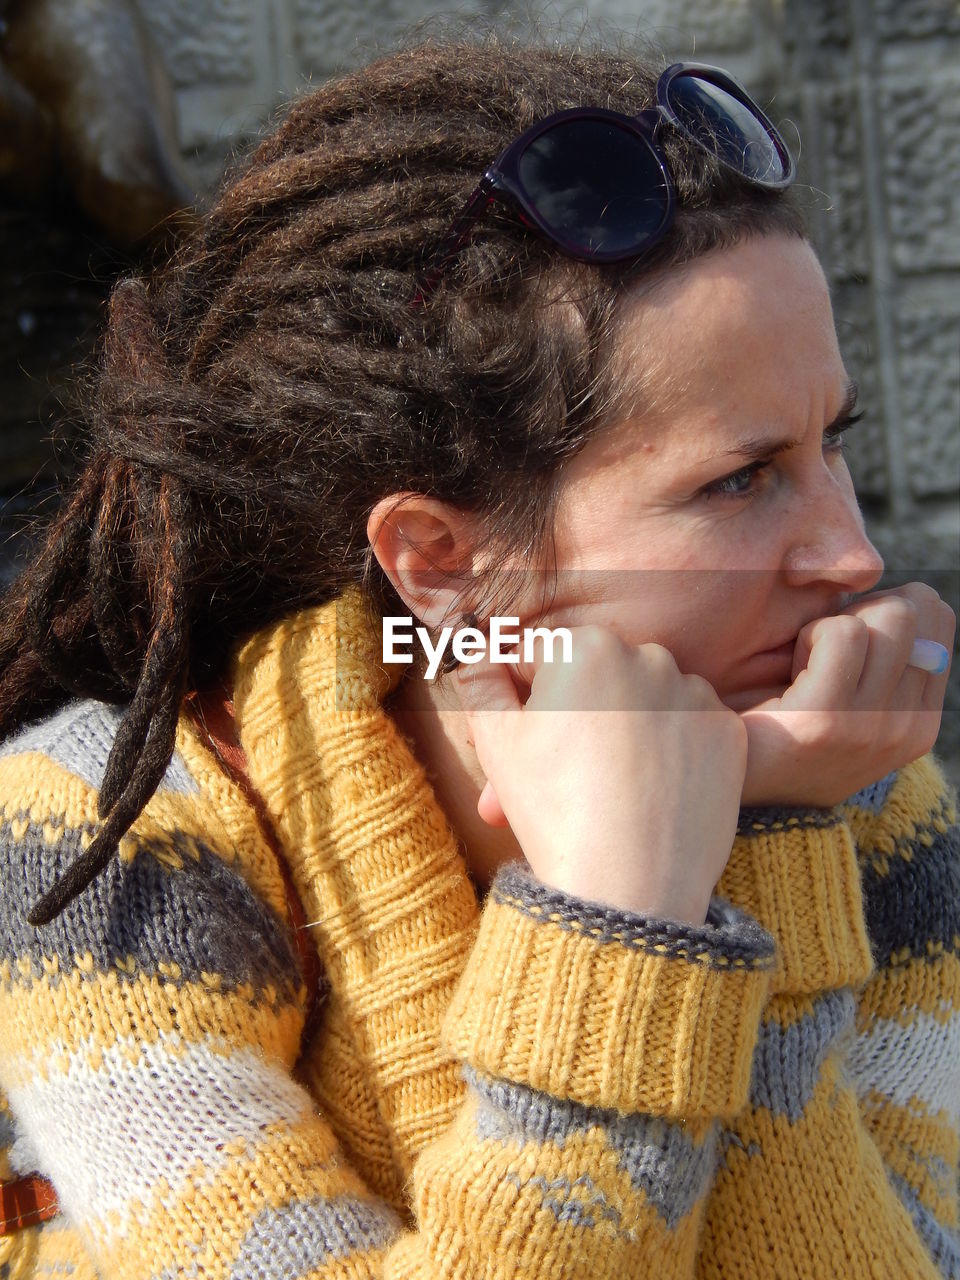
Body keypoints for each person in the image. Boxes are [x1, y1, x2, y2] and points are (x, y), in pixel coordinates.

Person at [0, 35, 956, 1280]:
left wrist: (759, 834)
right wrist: (617, 928)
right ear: (440, 562)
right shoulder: (105, 837)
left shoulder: (848, 782)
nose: (851, 553)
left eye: (835, 440)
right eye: (740, 479)